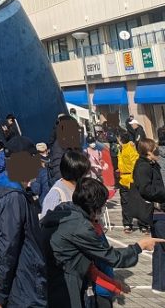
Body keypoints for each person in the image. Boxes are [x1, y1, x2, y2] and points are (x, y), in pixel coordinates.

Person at [42, 176, 163, 307]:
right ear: (94, 205)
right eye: (102, 205)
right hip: (66, 284)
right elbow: (111, 257)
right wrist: (139, 247)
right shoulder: (80, 226)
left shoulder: (65, 210)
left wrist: (114, 284)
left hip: (51, 278)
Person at [0, 136, 46, 307]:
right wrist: (0, 293)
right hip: (23, 286)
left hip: (15, 284)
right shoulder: (14, 198)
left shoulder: (2, 190)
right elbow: (6, 248)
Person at [133, 137, 165, 292]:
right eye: (155, 150)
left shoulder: (151, 164)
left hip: (159, 210)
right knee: (161, 245)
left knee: (160, 247)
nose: (157, 152)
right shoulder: (143, 166)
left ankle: (159, 284)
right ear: (148, 152)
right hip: (157, 212)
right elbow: (146, 190)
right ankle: (159, 284)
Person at [41, 148, 91, 219]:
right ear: (77, 173)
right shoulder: (56, 194)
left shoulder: (80, 187)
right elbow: (46, 221)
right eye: (85, 173)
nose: (87, 175)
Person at [116, 131, 141, 233]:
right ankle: (127, 224)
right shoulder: (120, 149)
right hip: (123, 179)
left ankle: (143, 224)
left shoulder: (130, 148)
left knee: (137, 201)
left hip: (131, 179)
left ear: (120, 139)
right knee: (125, 202)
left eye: (118, 138)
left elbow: (135, 164)